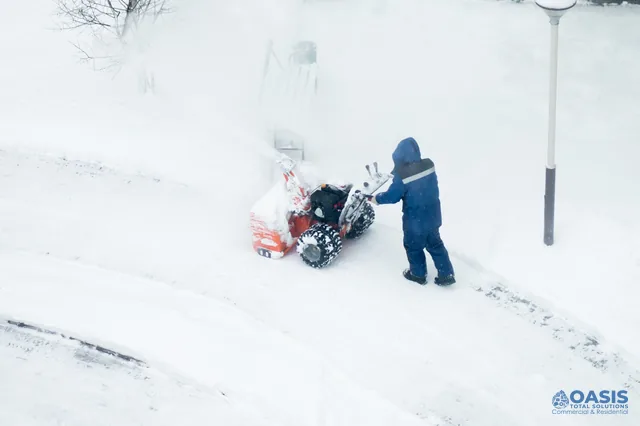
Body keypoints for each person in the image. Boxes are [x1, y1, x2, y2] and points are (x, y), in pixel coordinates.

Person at [370, 137, 455, 286]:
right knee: (435, 244)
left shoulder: (402, 176)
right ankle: (446, 274)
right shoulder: (428, 165)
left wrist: (376, 199)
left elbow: (392, 196)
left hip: (415, 220)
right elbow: (415, 176)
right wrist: (398, 172)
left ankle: (417, 275)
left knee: (413, 246)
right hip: (433, 215)